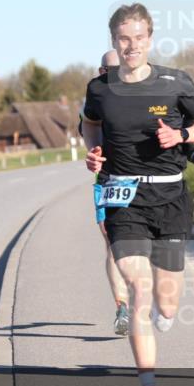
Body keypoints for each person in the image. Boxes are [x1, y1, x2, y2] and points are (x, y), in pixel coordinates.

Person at [83, 3, 194, 386]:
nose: (131, 46)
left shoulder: (175, 83)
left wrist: (181, 134)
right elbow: (88, 123)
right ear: (113, 42)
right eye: (124, 38)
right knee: (139, 292)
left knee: (168, 300)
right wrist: (94, 153)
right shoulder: (100, 89)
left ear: (150, 39)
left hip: (171, 198)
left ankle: (164, 314)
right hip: (125, 199)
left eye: (139, 38)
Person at [87, 50, 131, 335]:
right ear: (100, 71)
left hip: (140, 180)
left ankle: (142, 290)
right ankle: (122, 307)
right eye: (107, 70)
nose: (113, 76)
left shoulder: (139, 96)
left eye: (119, 70)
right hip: (108, 181)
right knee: (112, 244)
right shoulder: (94, 100)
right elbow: (88, 133)